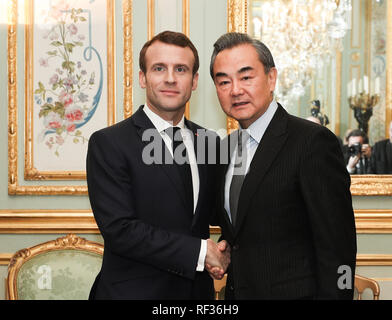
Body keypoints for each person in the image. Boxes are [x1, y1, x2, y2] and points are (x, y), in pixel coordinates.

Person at [208, 32, 357, 299]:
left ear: (271, 78)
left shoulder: (312, 142)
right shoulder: (226, 149)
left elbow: (338, 246)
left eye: (246, 77)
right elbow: (246, 229)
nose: (235, 90)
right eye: (224, 81)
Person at [87, 31, 230, 300]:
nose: (170, 78)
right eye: (159, 68)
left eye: (181, 69)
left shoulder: (209, 142)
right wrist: (201, 253)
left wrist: (227, 248)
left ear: (195, 80)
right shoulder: (109, 143)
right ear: (143, 77)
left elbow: (218, 213)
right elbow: (121, 230)